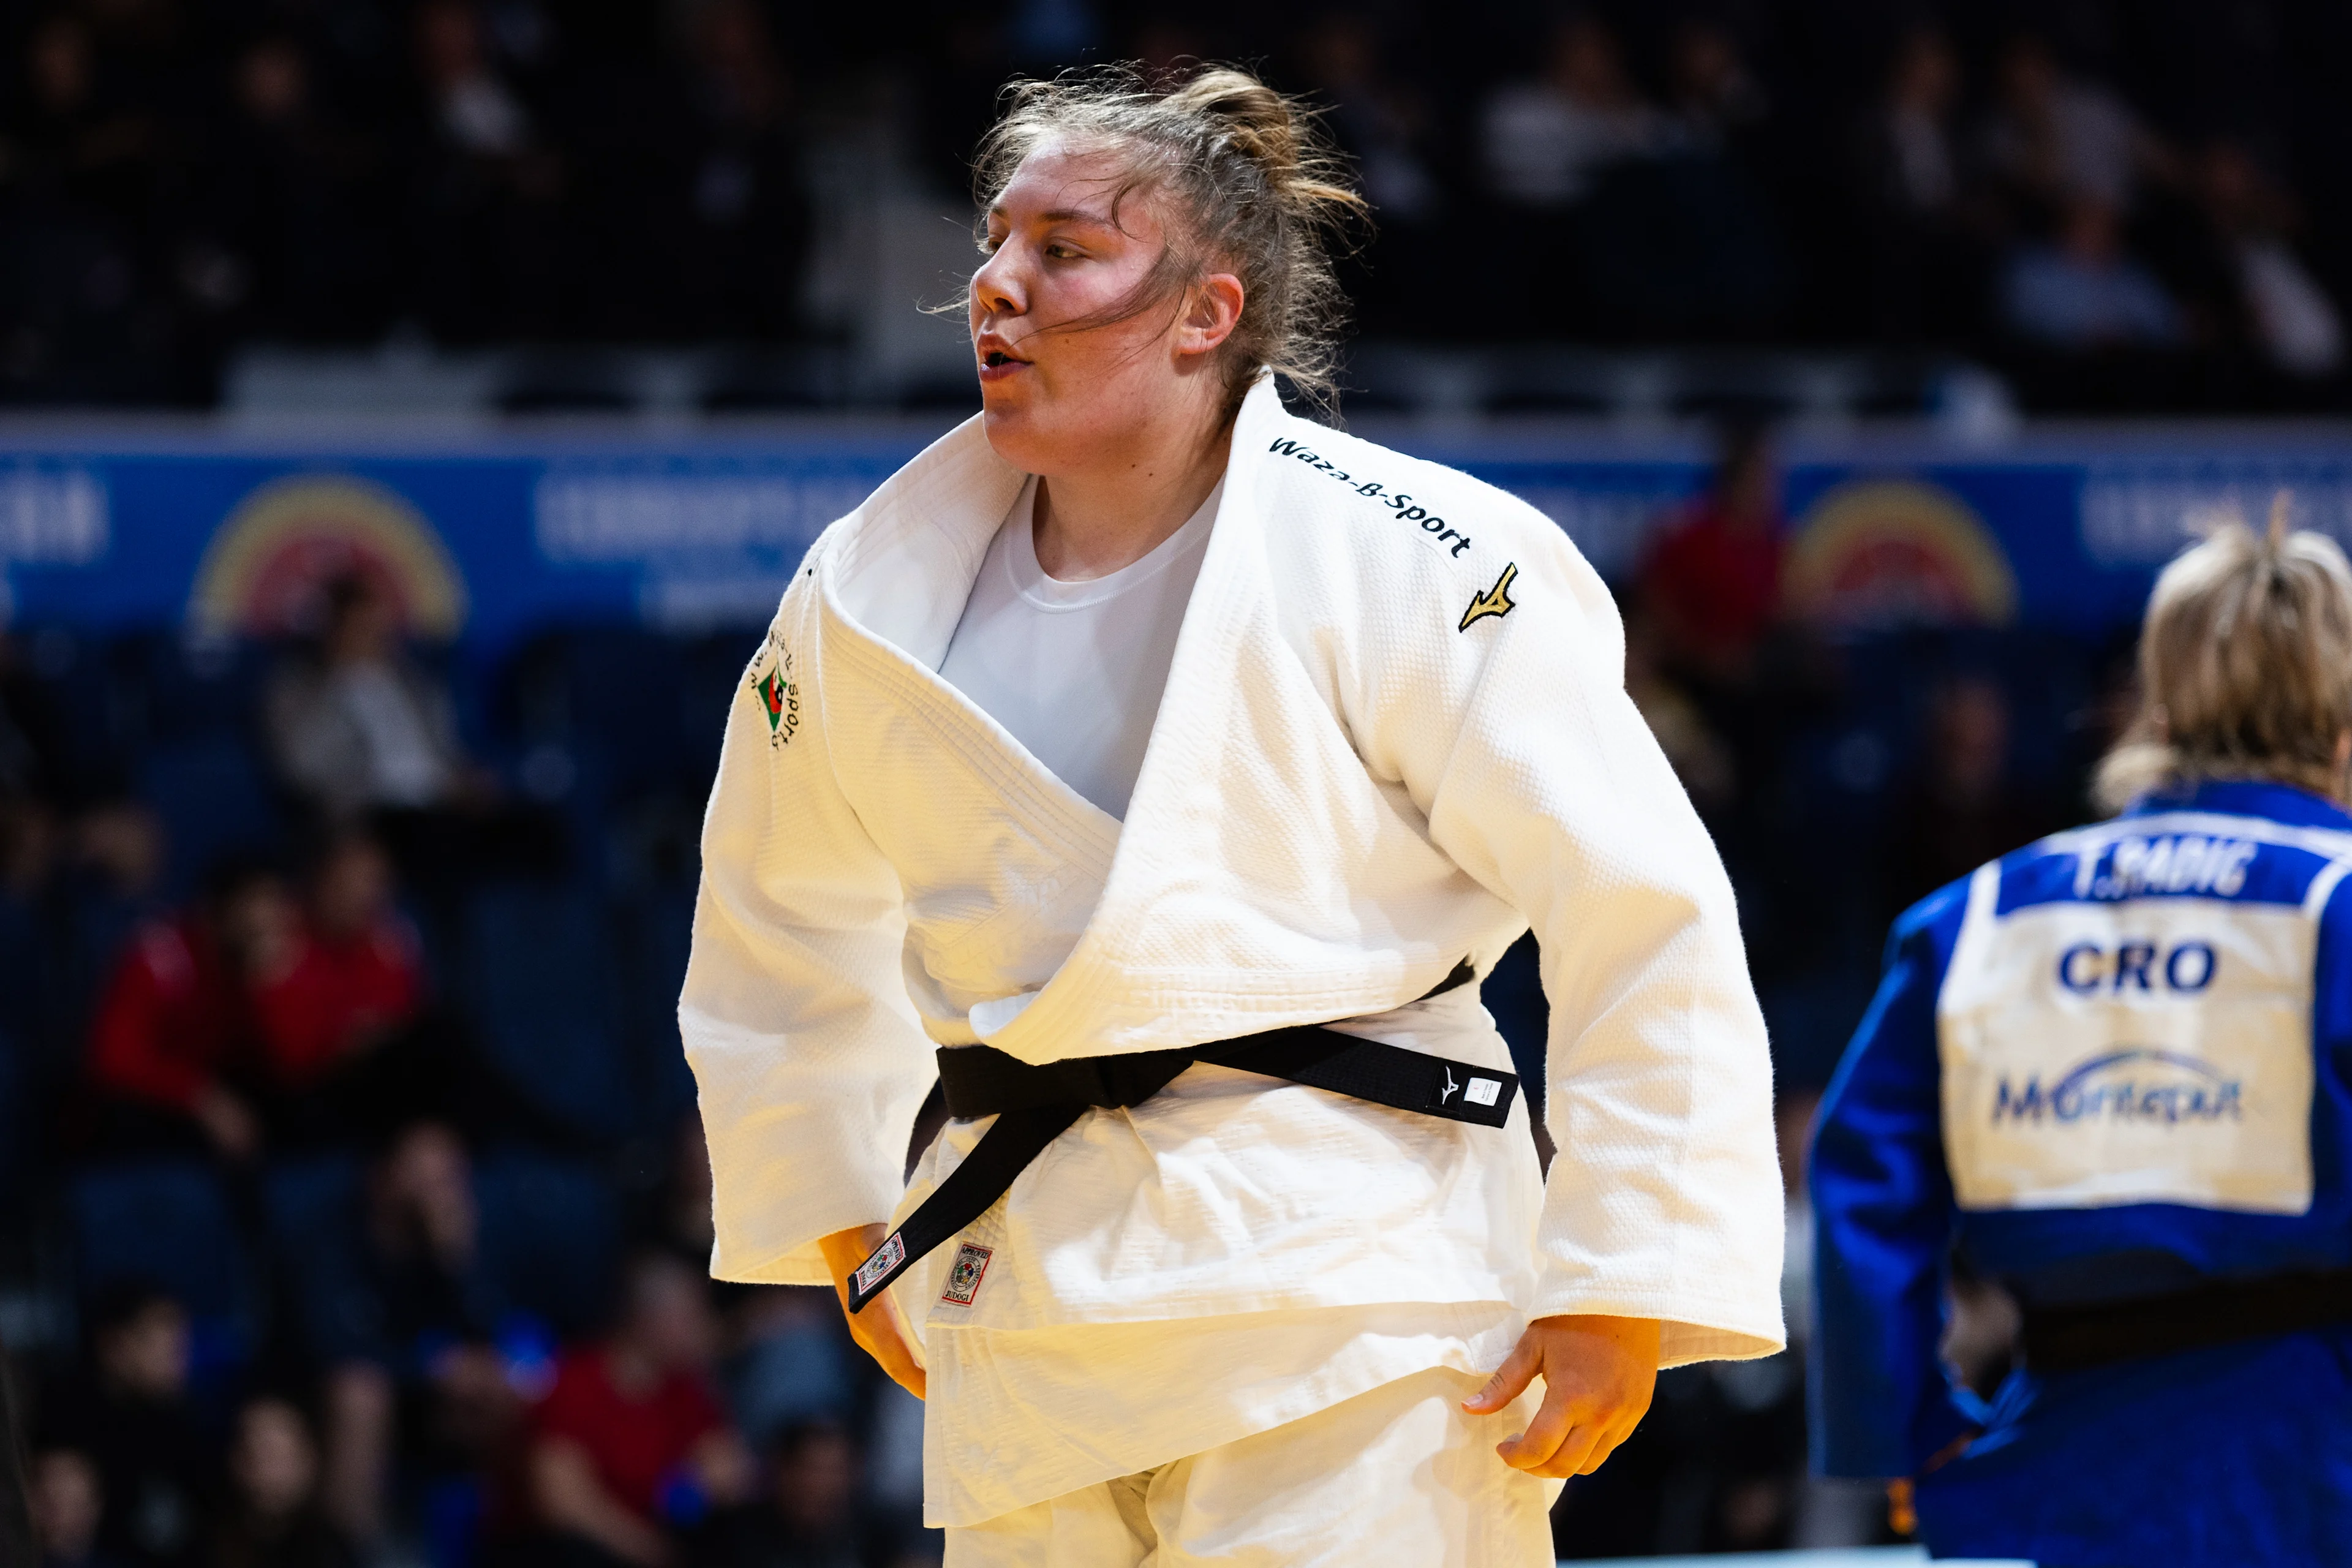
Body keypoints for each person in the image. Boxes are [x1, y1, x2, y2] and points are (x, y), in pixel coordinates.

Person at [680, 63, 1784, 1564]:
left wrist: (1619, 1271)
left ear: (1204, 313)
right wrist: (837, 1201)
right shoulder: (865, 591)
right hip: (1023, 1292)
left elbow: (1635, 901)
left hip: (1359, 1292)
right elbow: (777, 908)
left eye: (1064, 250)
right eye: (997, 243)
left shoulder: (1415, 558)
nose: (995, 285)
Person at [1811, 513, 2352, 1565]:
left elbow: (1864, 1193)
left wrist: (1904, 1434)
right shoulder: (2340, 902)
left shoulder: (1977, 916)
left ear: (2157, 703)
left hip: (2054, 1483)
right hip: (2317, 1476)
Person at [523, 1252, 752, 1567]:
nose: (706, 1326)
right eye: (692, 1315)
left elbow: (728, 1474)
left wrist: (688, 1492)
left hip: (659, 1537)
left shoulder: (686, 1390)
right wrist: (650, 1550)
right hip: (585, 1552)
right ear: (650, 1320)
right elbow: (561, 1503)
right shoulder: (577, 1383)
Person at [37, 1285, 217, 1568]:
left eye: (181, 1345)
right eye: (164, 1346)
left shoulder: (184, 1427)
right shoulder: (63, 1424)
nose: (180, 1361)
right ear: (114, 1345)